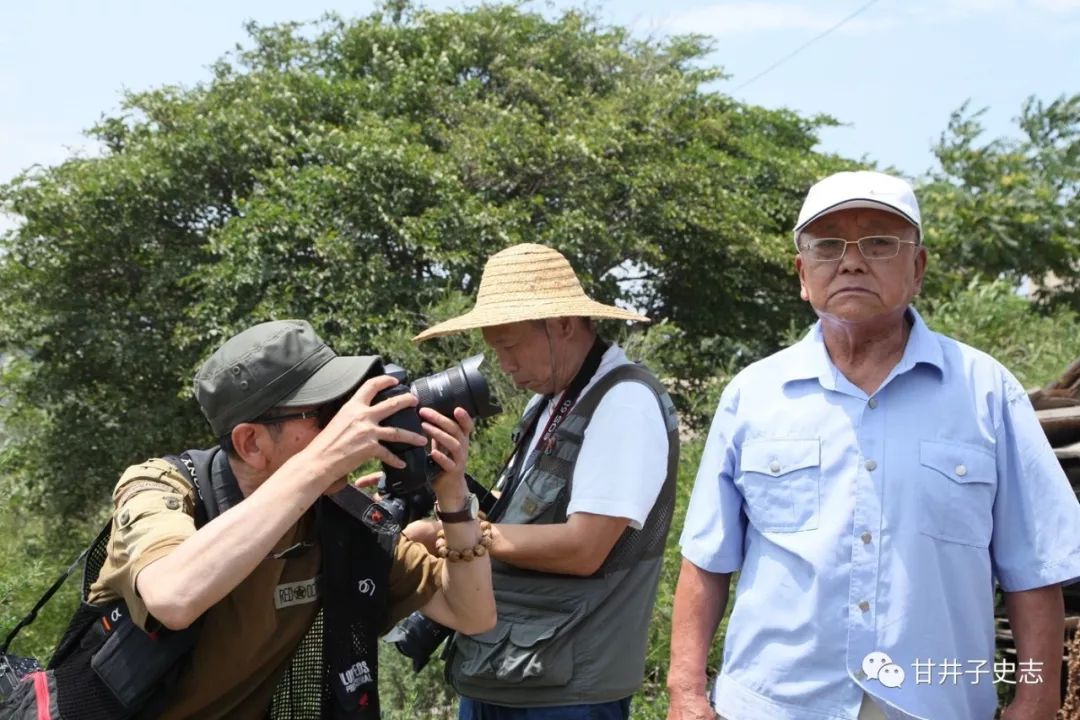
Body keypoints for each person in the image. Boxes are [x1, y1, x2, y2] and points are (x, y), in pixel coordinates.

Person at [666, 170, 1080, 720]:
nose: (852, 261)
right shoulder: (754, 394)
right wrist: (687, 693)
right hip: (775, 705)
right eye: (828, 245)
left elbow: (1035, 566)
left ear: (919, 269)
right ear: (802, 274)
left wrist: (1035, 701)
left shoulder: (987, 393)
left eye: (881, 243)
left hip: (935, 703)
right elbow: (707, 560)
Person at [5, 319, 496, 719]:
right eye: (327, 415)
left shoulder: (343, 522)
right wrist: (320, 463)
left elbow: (470, 612)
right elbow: (173, 596)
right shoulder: (163, 487)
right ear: (251, 443)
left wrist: (453, 496)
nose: (352, 425)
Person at [409, 243, 680, 720]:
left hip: (567, 687)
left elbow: (583, 548)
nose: (505, 364)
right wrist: (448, 486)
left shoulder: (623, 402)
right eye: (496, 350)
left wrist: (460, 535)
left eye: (511, 346)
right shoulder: (554, 400)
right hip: (511, 667)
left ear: (562, 325)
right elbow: (524, 514)